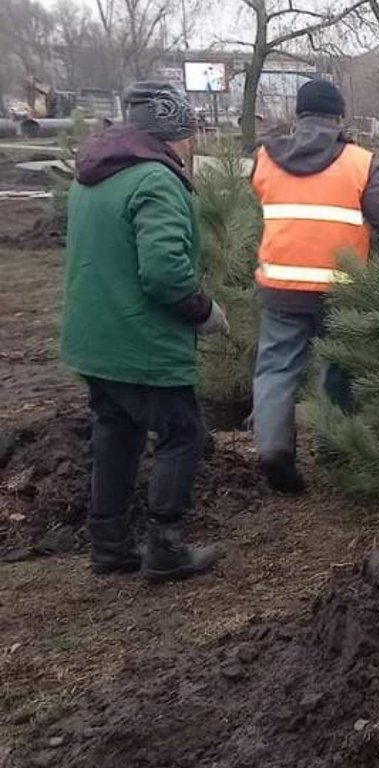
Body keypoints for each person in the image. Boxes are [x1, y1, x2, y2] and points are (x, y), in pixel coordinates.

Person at [60, 82, 226, 582]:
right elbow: (164, 273)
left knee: (116, 432)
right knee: (182, 433)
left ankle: (110, 545)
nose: (192, 145)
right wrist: (205, 312)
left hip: (94, 337)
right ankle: (166, 549)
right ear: (174, 134)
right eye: (190, 134)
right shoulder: (155, 179)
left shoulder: (92, 175)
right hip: (142, 342)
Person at [251, 79, 379, 494]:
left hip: (280, 285)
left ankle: (273, 450)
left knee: (275, 369)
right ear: (338, 116)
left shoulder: (266, 158)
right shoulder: (358, 161)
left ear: (300, 114)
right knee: (338, 365)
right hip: (340, 289)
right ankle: (334, 448)